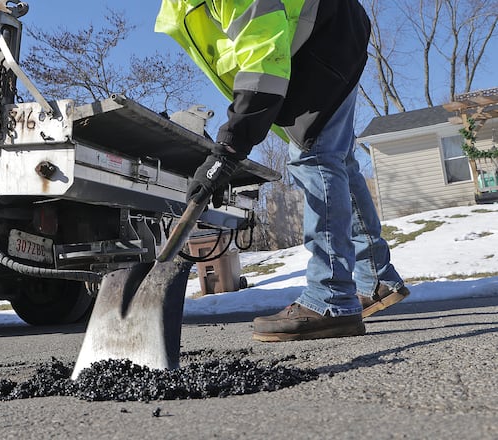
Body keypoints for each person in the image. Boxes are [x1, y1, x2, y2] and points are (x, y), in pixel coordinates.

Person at [155, 0, 409, 341]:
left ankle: (331, 299)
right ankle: (375, 277)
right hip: (331, 30)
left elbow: (262, 59)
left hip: (324, 35)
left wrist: (229, 147)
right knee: (335, 159)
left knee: (314, 157)